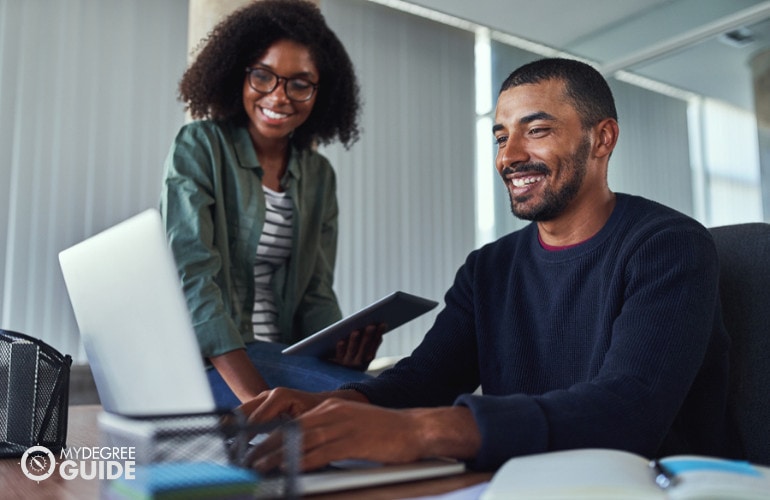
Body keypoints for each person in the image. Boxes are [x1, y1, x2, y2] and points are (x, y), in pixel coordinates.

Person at [238, 58, 733, 472]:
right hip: (523, 482)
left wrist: (423, 430)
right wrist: (336, 404)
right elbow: (423, 381)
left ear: (602, 139)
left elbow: (629, 410)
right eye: (500, 138)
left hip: (650, 483)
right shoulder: (489, 268)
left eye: (536, 131)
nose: (510, 156)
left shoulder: (669, 246)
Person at [160, 0, 383, 410]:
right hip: (216, 362)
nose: (279, 97)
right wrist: (257, 398)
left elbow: (316, 291)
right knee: (362, 411)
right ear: (239, 75)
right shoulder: (200, 146)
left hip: (281, 355)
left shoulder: (318, 175)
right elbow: (193, 276)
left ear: (321, 92)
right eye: (263, 76)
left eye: (300, 83)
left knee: (378, 397)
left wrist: (342, 349)